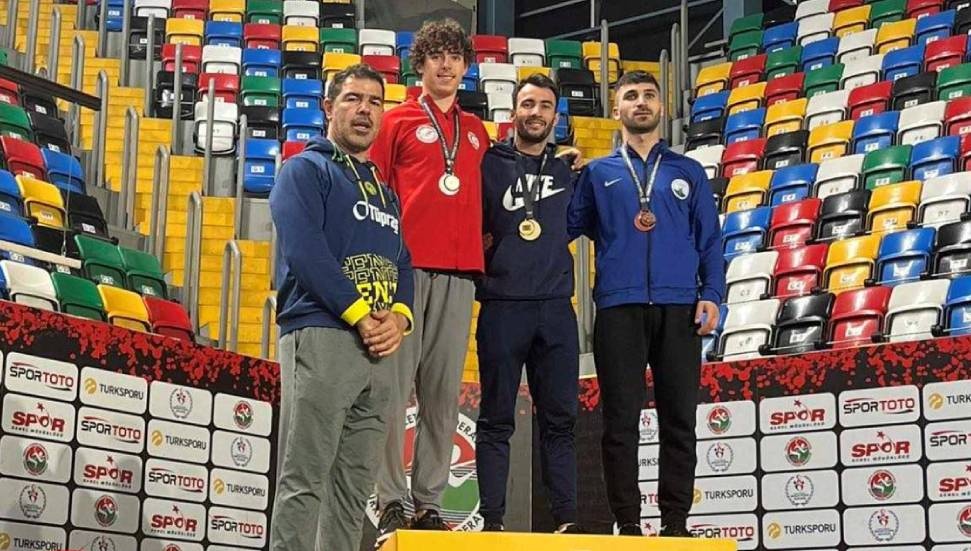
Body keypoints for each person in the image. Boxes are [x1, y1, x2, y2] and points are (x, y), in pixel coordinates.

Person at [567, 70, 725, 537]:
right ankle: (629, 522)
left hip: (680, 308)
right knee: (620, 422)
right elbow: (564, 228)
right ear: (616, 109)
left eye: (649, 95)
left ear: (662, 107)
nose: (641, 102)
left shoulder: (687, 171)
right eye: (631, 96)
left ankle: (676, 523)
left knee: (680, 420)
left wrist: (712, 295)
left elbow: (710, 241)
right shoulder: (596, 174)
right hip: (619, 308)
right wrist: (560, 176)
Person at [268, 64, 414, 551]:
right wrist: (359, 314)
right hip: (322, 334)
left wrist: (399, 319)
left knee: (353, 492)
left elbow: (403, 261)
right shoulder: (304, 170)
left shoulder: (385, 192)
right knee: (304, 478)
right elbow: (305, 252)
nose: (365, 110)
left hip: (378, 350)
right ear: (329, 107)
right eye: (353, 99)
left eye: (375, 102)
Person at [369, 18, 491, 543]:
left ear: (465, 66)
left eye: (455, 56)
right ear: (420, 64)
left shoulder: (479, 131)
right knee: (393, 393)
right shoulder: (395, 121)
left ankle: (430, 503)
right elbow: (373, 193)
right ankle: (391, 501)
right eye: (436, 56)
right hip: (404, 273)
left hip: (460, 275)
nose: (446, 65)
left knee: (442, 397)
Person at [475, 73, 580, 534]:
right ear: (513, 111)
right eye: (528, 104)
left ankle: (567, 521)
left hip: (556, 307)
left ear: (555, 117)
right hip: (502, 305)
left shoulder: (568, 170)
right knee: (496, 419)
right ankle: (492, 522)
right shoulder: (488, 164)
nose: (535, 113)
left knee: (560, 421)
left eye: (544, 106)